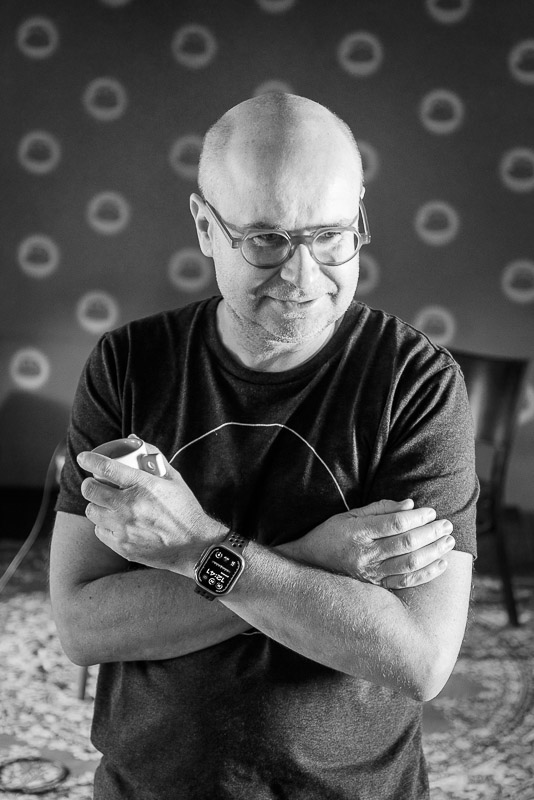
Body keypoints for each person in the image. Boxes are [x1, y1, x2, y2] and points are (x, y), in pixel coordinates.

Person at [50, 92, 478, 800]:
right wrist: (317, 558)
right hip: (149, 785)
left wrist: (194, 549)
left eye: (331, 235)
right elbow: (82, 626)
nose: (304, 278)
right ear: (205, 226)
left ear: (359, 217)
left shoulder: (416, 382)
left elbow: (417, 660)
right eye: (267, 240)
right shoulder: (129, 365)